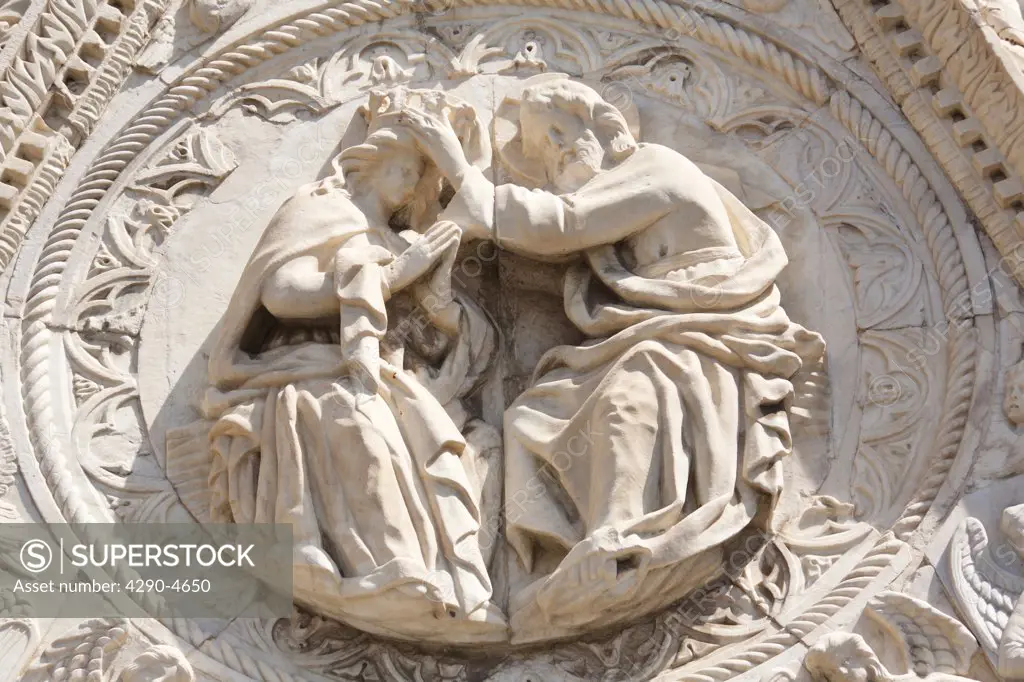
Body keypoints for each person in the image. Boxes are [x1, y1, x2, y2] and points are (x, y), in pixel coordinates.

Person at [400, 75, 825, 637]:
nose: (558, 149)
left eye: (561, 130)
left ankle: (621, 535)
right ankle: (543, 569)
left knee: (632, 387)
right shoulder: (610, 215)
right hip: (659, 330)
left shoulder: (655, 166)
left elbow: (559, 225)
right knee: (530, 418)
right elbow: (547, 247)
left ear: (604, 125)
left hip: (696, 334)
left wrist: (454, 162)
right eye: (544, 149)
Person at [200, 87, 505, 642]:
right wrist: (389, 276)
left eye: (424, 178)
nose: (415, 187)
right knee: (363, 430)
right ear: (372, 160)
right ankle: (391, 575)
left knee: (458, 445)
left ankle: (443, 583)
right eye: (410, 169)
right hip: (313, 368)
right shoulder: (319, 211)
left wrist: (436, 302)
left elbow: (434, 327)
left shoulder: (396, 238)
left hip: (384, 375)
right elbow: (282, 295)